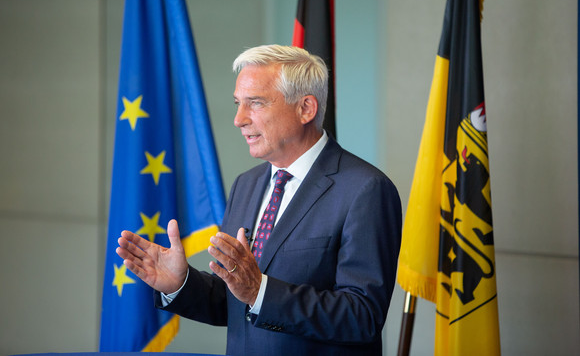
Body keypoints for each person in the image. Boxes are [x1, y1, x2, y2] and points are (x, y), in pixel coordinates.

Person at [116, 44, 402, 355]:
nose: (239, 119)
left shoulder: (366, 190)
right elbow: (235, 300)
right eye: (239, 103)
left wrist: (260, 291)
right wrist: (180, 283)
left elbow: (362, 316)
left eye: (256, 103)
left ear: (306, 108)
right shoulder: (246, 184)